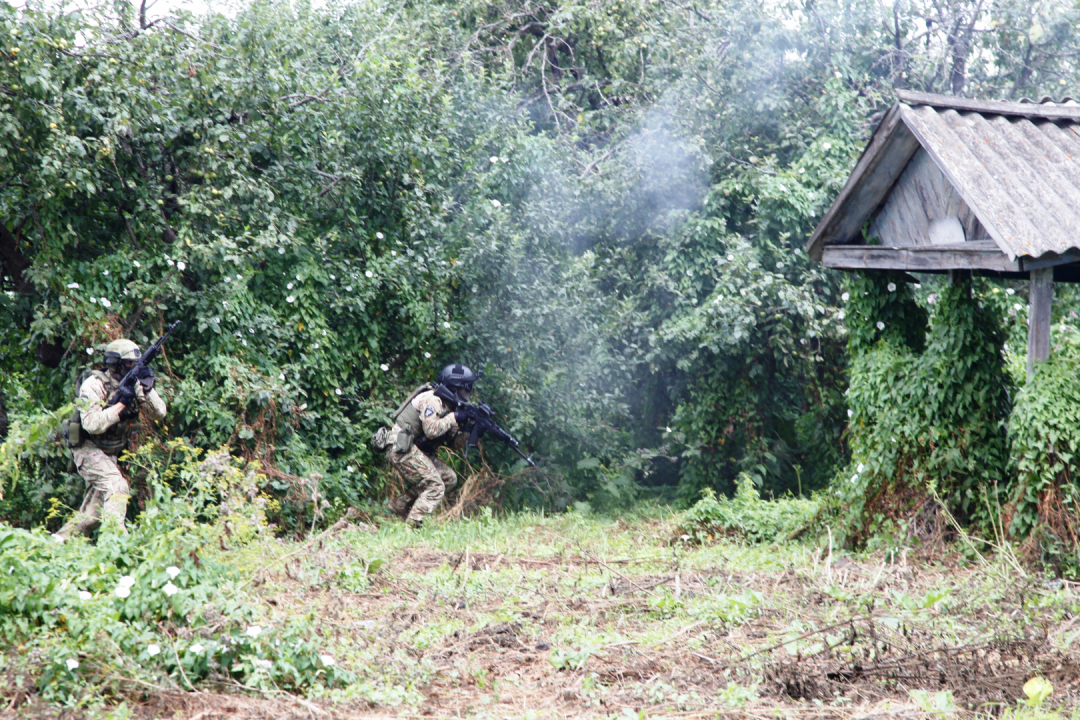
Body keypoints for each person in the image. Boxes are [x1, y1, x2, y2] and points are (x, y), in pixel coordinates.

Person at [57, 338, 166, 538]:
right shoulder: (93, 385)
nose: (132, 367)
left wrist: (148, 390)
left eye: (135, 363)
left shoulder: (133, 383)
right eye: (128, 364)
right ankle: (116, 543)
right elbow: (91, 424)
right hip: (87, 448)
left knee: (92, 516)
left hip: (110, 451)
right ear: (114, 363)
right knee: (117, 486)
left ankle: (54, 543)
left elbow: (159, 414)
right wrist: (120, 406)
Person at [384, 364, 478, 528]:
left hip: (413, 449)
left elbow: (453, 444)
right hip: (400, 447)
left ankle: (399, 506)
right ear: (455, 387)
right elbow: (432, 431)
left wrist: (469, 431)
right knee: (435, 485)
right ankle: (410, 528)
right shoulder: (433, 399)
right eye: (467, 388)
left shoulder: (450, 405)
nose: (470, 392)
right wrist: (454, 417)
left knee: (448, 478)